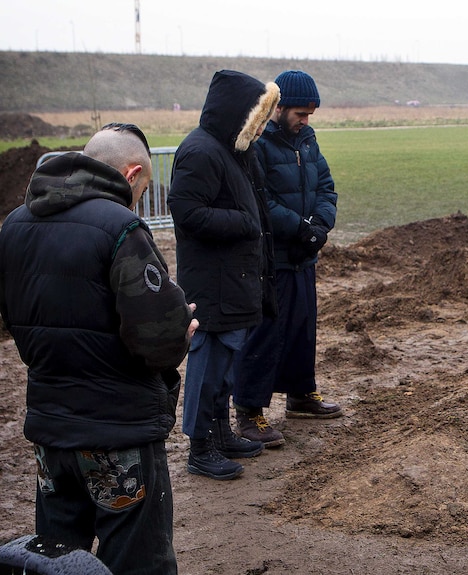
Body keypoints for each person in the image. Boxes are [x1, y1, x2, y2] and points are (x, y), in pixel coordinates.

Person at [0, 122, 197, 575]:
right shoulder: (122, 228)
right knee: (137, 560)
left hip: (50, 431)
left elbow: (12, 319)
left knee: (51, 559)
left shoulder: (14, 224)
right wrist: (180, 331)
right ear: (131, 176)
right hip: (118, 431)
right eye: (141, 188)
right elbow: (158, 341)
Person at [168, 69, 280, 479]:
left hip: (235, 281)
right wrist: (243, 222)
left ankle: (220, 434)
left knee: (226, 366)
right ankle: (200, 447)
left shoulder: (234, 148)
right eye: (259, 117)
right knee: (207, 367)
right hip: (212, 284)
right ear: (240, 113)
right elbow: (186, 210)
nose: (263, 126)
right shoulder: (200, 151)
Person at [233, 70, 341, 448]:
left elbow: (326, 188)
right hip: (272, 258)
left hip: (303, 255)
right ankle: (249, 412)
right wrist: (300, 227)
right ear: (278, 108)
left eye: (310, 114)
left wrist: (320, 227)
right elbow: (260, 200)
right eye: (300, 113)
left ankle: (300, 395)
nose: (306, 120)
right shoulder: (258, 146)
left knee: (302, 328)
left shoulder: (308, 141)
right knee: (264, 335)